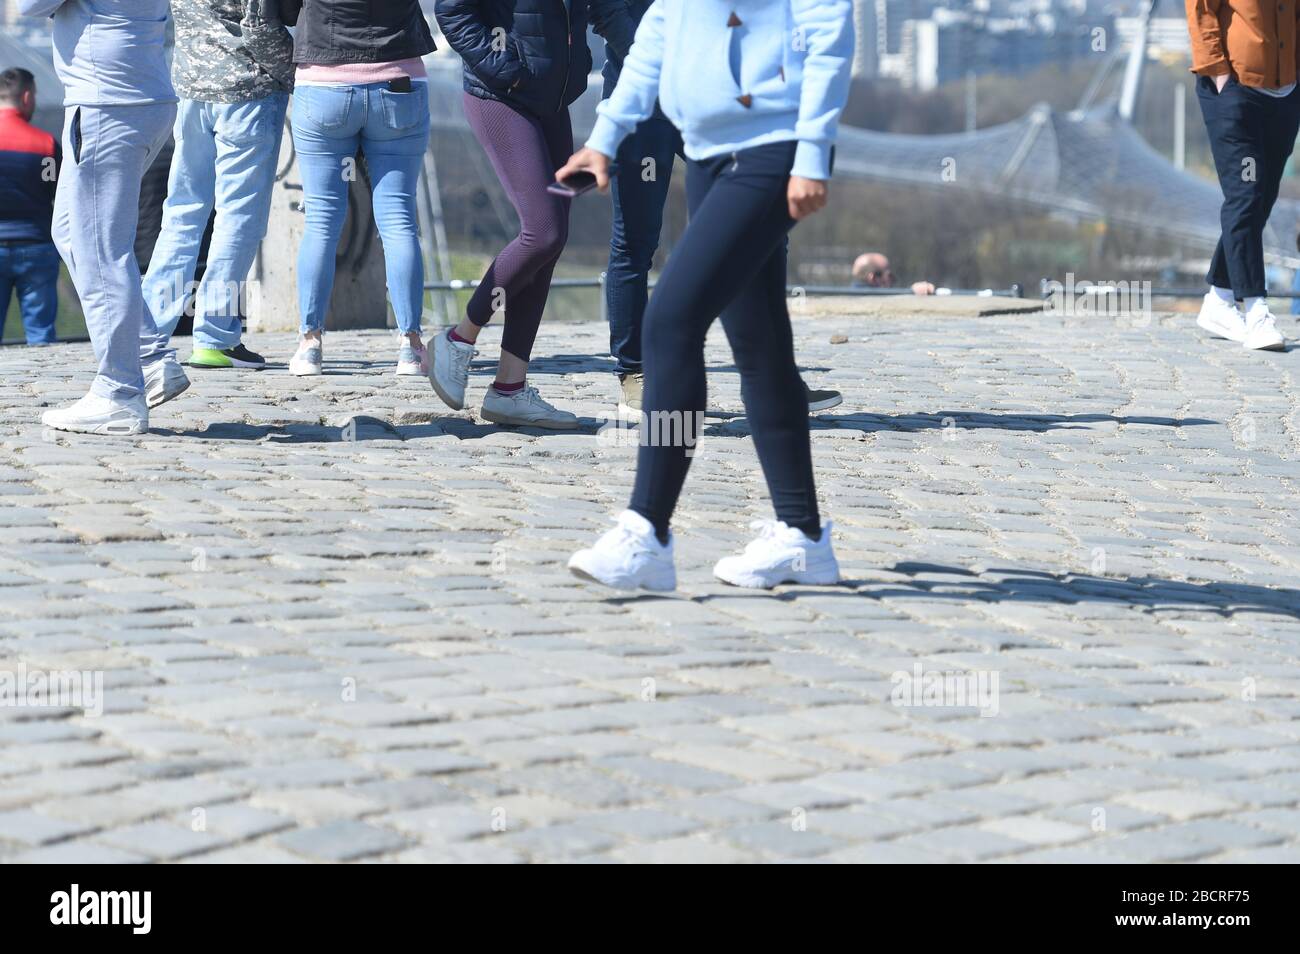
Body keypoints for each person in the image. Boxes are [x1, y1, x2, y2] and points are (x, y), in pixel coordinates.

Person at [563, 0, 854, 591]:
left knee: (670, 321)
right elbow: (654, 41)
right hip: (705, 153)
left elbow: (829, 31)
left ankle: (647, 533)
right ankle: (803, 537)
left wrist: (815, 148)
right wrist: (606, 136)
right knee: (760, 344)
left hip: (775, 149)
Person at [592, 1, 841, 419]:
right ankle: (635, 374)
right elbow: (604, 8)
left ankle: (769, 376)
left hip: (715, 101)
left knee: (762, 229)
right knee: (635, 243)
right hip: (643, 104)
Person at [430, 0, 592, 428]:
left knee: (551, 245)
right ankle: (457, 338)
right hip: (502, 95)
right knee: (543, 233)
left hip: (554, 100)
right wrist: (506, 69)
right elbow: (452, 10)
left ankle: (509, 388)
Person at [26, 0, 177, 436]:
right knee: (72, 233)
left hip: (106, 103)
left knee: (99, 249)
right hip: (143, 96)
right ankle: (148, 358)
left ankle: (120, 392)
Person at [138, 0, 294, 377]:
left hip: (190, 87)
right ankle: (215, 336)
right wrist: (296, 71)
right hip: (246, 91)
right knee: (238, 217)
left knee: (181, 213)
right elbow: (258, 27)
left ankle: (146, 331)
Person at [280, 0, 436, 378]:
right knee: (399, 220)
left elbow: (284, 11)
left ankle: (310, 345)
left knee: (321, 221)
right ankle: (411, 347)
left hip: (323, 85)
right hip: (399, 80)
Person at [1188, 0, 1299, 351]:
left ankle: (1219, 300)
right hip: (1236, 92)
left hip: (1285, 94)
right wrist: (1218, 71)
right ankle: (1256, 310)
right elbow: (1201, 10)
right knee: (1246, 193)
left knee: (1262, 195)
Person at [0, 67, 60, 346]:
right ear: (26, 97)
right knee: (41, 334)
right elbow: (55, 190)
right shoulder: (46, 145)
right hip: (37, 247)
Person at [852, 251, 935, 295]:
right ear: (873, 278)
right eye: (889, 276)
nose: (893, 280)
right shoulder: (877, 301)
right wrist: (912, 292)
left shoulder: (845, 298)